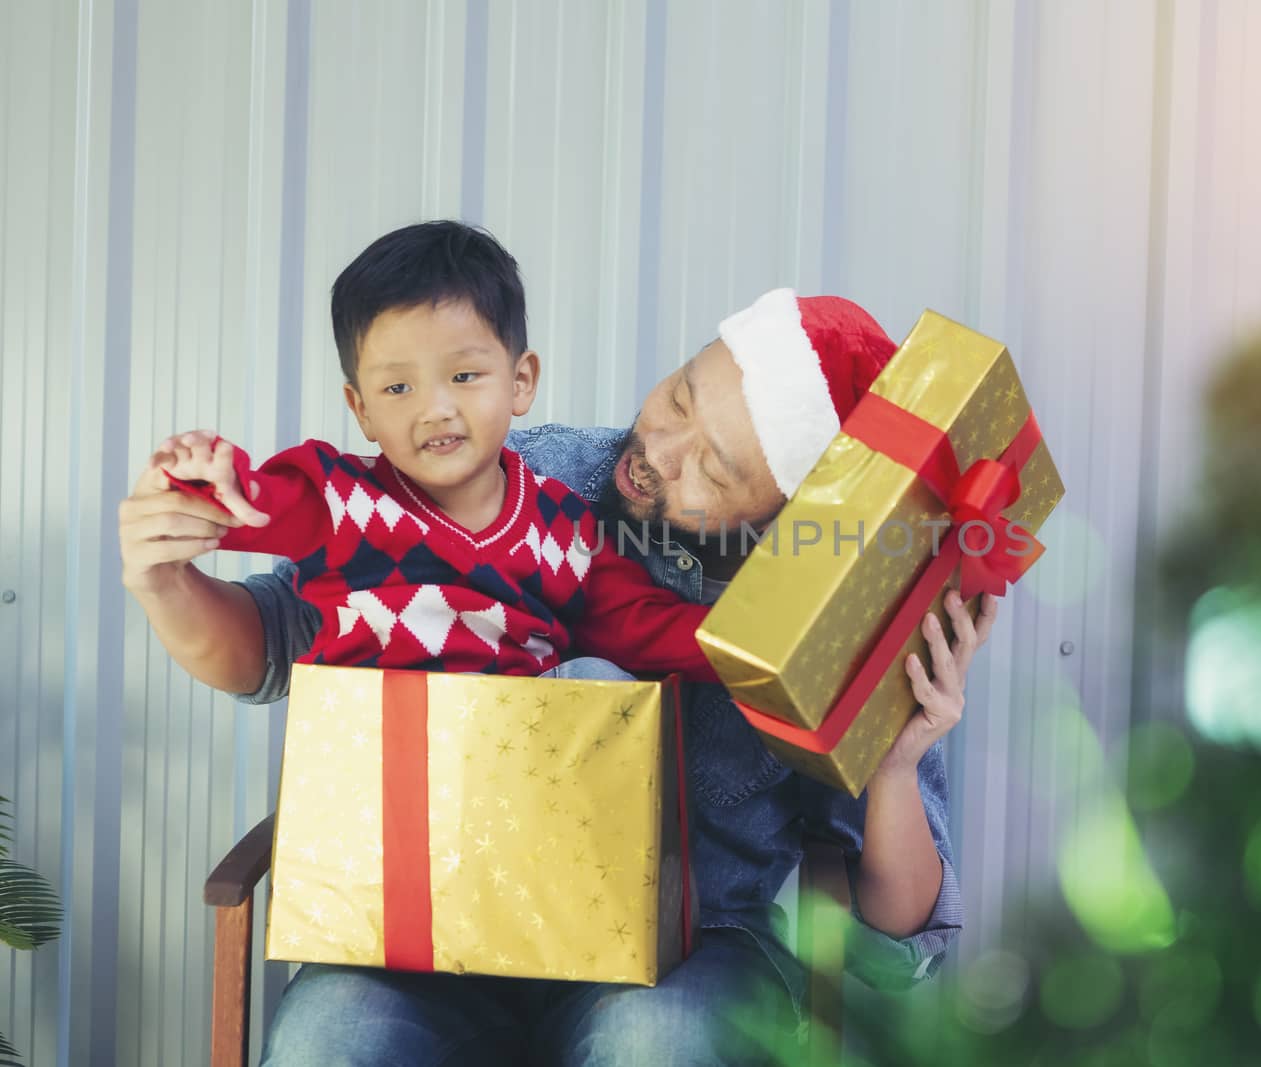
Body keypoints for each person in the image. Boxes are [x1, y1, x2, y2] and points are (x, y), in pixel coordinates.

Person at [119, 285, 998, 1065]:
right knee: (331, 1041)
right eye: (680, 395)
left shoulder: (845, 620)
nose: (661, 447)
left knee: (654, 1046)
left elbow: (895, 953)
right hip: (433, 924)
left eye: (713, 467)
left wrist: (889, 758)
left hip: (685, 956)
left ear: (781, 521)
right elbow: (278, 636)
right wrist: (168, 573)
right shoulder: (512, 472)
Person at [153, 220, 716, 682]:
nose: (435, 409)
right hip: (372, 760)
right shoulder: (343, 500)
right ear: (362, 410)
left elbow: (643, 625)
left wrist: (750, 644)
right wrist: (201, 476)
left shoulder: (563, 528)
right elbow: (253, 505)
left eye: (465, 375)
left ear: (520, 382)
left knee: (597, 676)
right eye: (398, 388)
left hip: (516, 773)